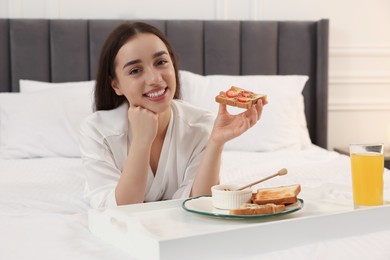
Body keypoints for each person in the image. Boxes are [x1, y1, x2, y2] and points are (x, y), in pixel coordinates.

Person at [79, 22, 267, 209]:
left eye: (161, 62)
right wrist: (142, 141)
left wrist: (216, 143)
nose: (155, 79)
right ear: (116, 85)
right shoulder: (97, 131)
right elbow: (122, 210)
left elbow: (200, 202)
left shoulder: (200, 124)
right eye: (135, 71)